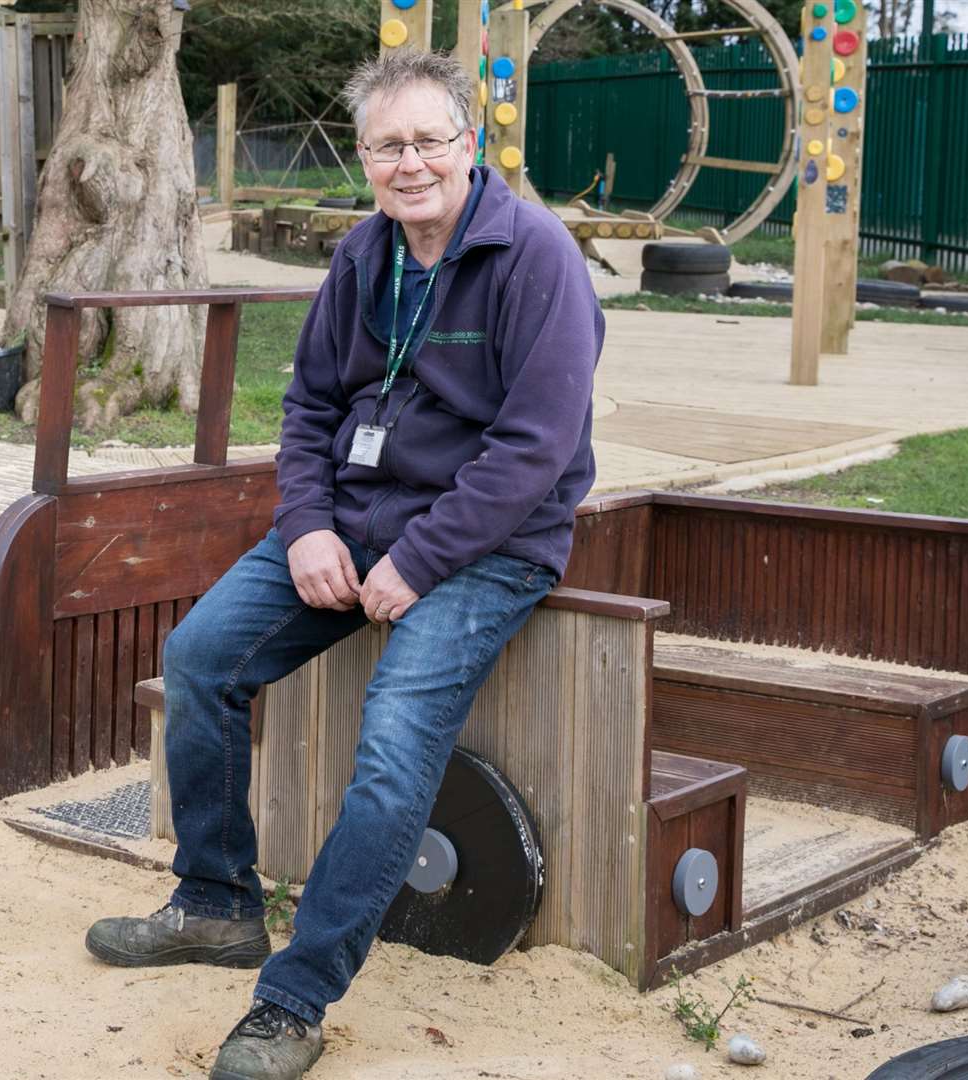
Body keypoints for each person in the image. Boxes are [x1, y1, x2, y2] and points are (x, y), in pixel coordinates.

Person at [85, 49, 604, 1080]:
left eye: (426, 141)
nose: (407, 164)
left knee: (393, 744)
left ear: (469, 145)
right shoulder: (365, 257)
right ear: (364, 159)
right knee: (198, 661)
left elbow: (535, 448)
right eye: (385, 147)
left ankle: (294, 997)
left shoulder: (536, 257)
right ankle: (216, 903)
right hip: (353, 528)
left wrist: (418, 559)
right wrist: (310, 525)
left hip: (488, 544)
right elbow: (313, 406)